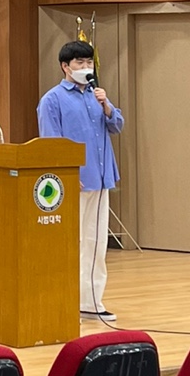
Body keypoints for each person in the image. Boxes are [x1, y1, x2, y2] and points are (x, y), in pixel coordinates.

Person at [37, 41, 124, 323]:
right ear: (65, 66)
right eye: (80, 63)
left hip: (101, 178)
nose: (86, 68)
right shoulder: (52, 99)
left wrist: (106, 105)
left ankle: (91, 302)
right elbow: (51, 143)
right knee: (69, 244)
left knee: (96, 243)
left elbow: (117, 125)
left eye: (89, 63)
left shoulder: (97, 95)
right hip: (73, 181)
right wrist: (65, 175)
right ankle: (62, 301)